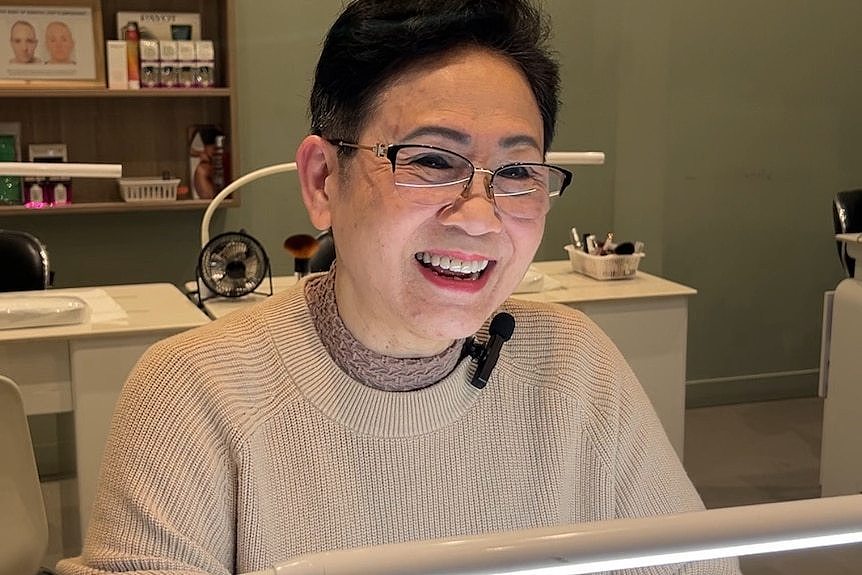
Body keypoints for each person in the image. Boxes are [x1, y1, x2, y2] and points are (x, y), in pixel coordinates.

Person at [57, 1, 741, 574]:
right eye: (432, 161)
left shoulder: (576, 365)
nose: (479, 217)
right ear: (324, 180)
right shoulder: (195, 394)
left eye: (517, 172)